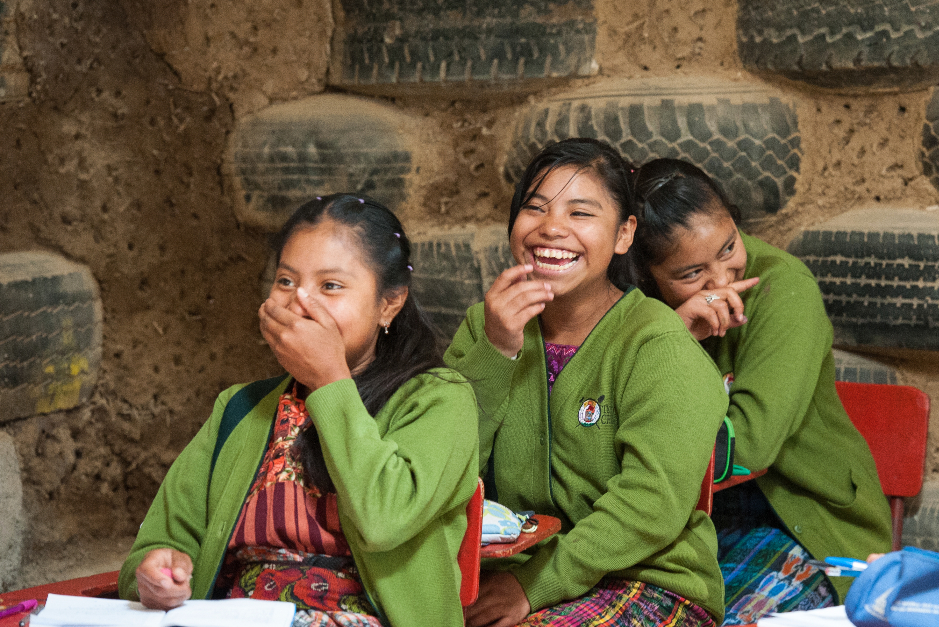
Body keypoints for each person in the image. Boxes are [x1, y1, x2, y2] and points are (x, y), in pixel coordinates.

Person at [118, 194, 480, 627]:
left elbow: (385, 520)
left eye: (330, 286)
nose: (299, 302)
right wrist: (156, 574)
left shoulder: (440, 401)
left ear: (390, 303)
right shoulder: (239, 408)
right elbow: (157, 545)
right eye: (286, 281)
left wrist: (329, 381)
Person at [445, 139, 729, 627]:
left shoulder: (656, 344)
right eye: (535, 208)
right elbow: (443, 466)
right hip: (503, 573)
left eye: (581, 213)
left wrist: (531, 587)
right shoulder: (483, 326)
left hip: (648, 581)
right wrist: (498, 349)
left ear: (623, 235)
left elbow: (650, 507)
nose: (551, 227)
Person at [631, 159, 892, 624]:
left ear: (734, 220)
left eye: (728, 247)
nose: (721, 281)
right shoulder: (638, 310)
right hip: (683, 528)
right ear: (647, 275)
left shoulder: (783, 289)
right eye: (691, 273)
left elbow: (750, 445)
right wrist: (672, 336)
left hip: (800, 528)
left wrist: (645, 462)